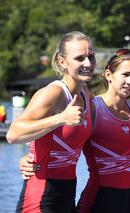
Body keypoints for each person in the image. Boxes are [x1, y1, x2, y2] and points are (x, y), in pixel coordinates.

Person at [6, 31, 96, 212]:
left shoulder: (85, 93)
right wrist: (60, 118)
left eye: (91, 56)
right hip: (41, 196)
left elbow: (108, 102)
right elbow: (13, 134)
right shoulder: (53, 93)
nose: (88, 63)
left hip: (67, 193)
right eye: (80, 58)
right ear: (62, 62)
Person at [77, 48, 130, 213]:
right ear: (108, 74)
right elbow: (66, 143)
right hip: (98, 200)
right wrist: (31, 158)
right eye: (125, 74)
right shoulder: (93, 108)